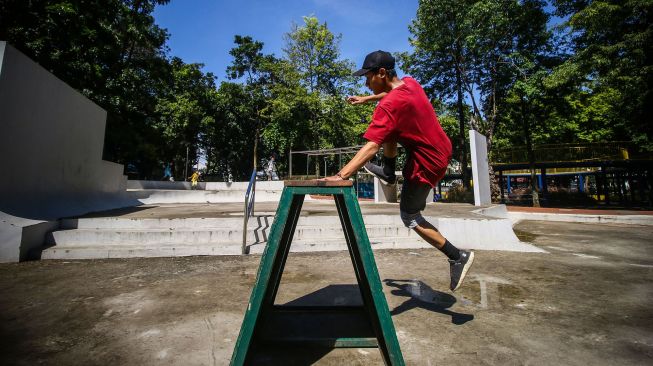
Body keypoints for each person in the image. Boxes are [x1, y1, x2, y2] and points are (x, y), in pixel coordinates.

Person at [323, 50, 474, 291]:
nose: (365, 82)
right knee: (390, 128)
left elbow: (372, 146)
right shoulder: (411, 83)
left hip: (428, 162)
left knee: (410, 216)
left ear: (381, 73)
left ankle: (457, 256)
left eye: (368, 77)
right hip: (440, 148)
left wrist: (341, 175)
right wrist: (366, 98)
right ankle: (388, 171)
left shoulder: (390, 106)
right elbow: (389, 92)